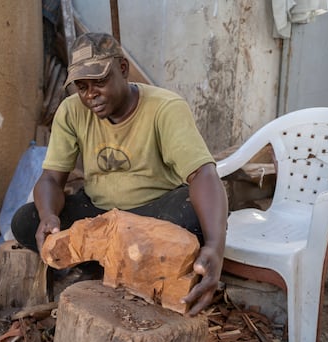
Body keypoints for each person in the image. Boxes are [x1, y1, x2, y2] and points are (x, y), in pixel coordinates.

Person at [12, 32, 228, 316]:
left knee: (193, 217)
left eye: (100, 82)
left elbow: (202, 174)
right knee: (27, 221)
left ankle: (104, 265)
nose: (91, 95)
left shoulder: (165, 107)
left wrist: (215, 246)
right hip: (100, 216)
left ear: (123, 69)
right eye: (82, 86)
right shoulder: (71, 111)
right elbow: (52, 179)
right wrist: (49, 215)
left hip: (151, 218)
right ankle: (120, 266)